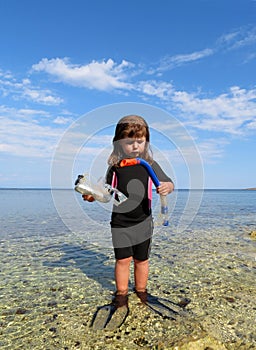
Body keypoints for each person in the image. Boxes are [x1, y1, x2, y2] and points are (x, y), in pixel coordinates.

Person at [83, 115, 174, 310]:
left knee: (142, 260)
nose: (135, 146)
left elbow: (169, 183)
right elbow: (105, 192)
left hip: (143, 221)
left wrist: (167, 187)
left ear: (146, 142)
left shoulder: (150, 165)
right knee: (122, 260)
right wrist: (93, 196)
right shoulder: (115, 167)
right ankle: (121, 295)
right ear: (118, 144)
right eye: (129, 142)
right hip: (120, 222)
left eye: (139, 142)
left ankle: (141, 292)